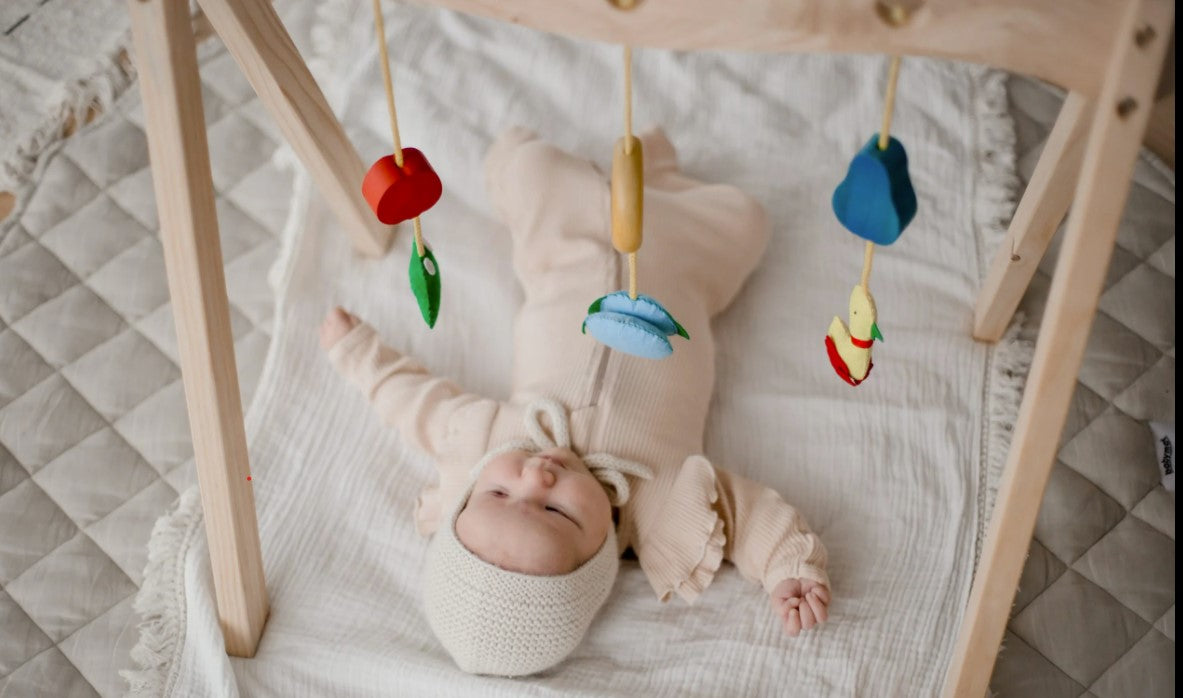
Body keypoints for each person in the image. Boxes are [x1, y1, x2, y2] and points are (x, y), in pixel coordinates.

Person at [319, 127, 830, 677]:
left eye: (497, 490)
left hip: (565, 252)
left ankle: (546, 161)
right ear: (600, 559)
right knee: (748, 220)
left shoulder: (485, 439)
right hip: (680, 263)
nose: (535, 477)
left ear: (469, 491)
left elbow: (408, 401)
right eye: (556, 511)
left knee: (531, 169)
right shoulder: (661, 502)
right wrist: (787, 566)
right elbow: (746, 514)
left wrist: (354, 351)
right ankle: (652, 178)